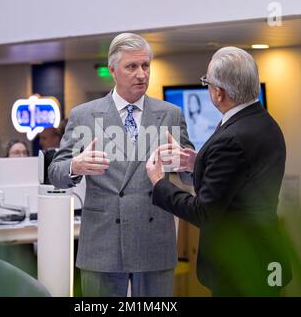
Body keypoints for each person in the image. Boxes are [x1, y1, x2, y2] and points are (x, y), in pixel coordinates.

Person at [49, 32, 194, 297]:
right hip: (102, 242)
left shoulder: (170, 114)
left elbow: (189, 175)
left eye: (146, 66)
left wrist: (189, 165)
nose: (142, 74)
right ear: (113, 70)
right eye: (132, 67)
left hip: (153, 242)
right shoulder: (84, 115)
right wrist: (75, 166)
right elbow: (55, 174)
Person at [146, 47, 292, 296]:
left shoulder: (232, 138)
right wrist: (197, 163)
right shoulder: (264, 122)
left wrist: (160, 182)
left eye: (207, 82)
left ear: (218, 92)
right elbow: (241, 181)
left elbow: (204, 213)